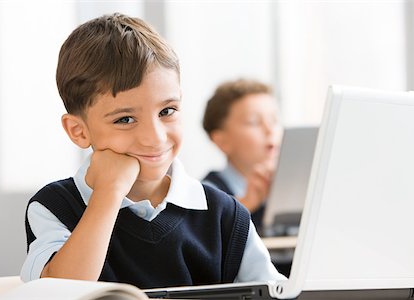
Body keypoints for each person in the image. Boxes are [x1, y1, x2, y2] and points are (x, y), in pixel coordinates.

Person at [20, 13, 286, 288]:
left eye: (167, 111)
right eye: (125, 119)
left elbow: (276, 292)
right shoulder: (54, 206)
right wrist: (108, 193)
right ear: (79, 131)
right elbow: (60, 289)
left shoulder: (226, 214)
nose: (155, 138)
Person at [202, 79, 283, 234]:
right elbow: (202, 237)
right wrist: (246, 204)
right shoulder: (207, 194)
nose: (270, 129)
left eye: (274, 120)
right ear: (222, 141)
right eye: (253, 122)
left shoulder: (289, 188)